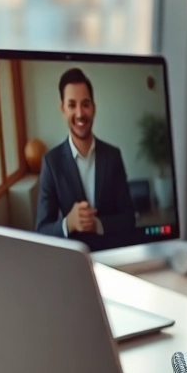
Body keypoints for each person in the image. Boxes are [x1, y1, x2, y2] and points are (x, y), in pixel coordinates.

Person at [35, 68, 137, 248]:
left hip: (112, 254)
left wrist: (97, 225)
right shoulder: (51, 163)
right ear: (63, 109)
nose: (80, 113)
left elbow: (129, 218)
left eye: (85, 104)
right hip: (74, 261)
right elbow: (41, 230)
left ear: (94, 108)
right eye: (72, 105)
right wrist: (68, 223)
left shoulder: (113, 156)